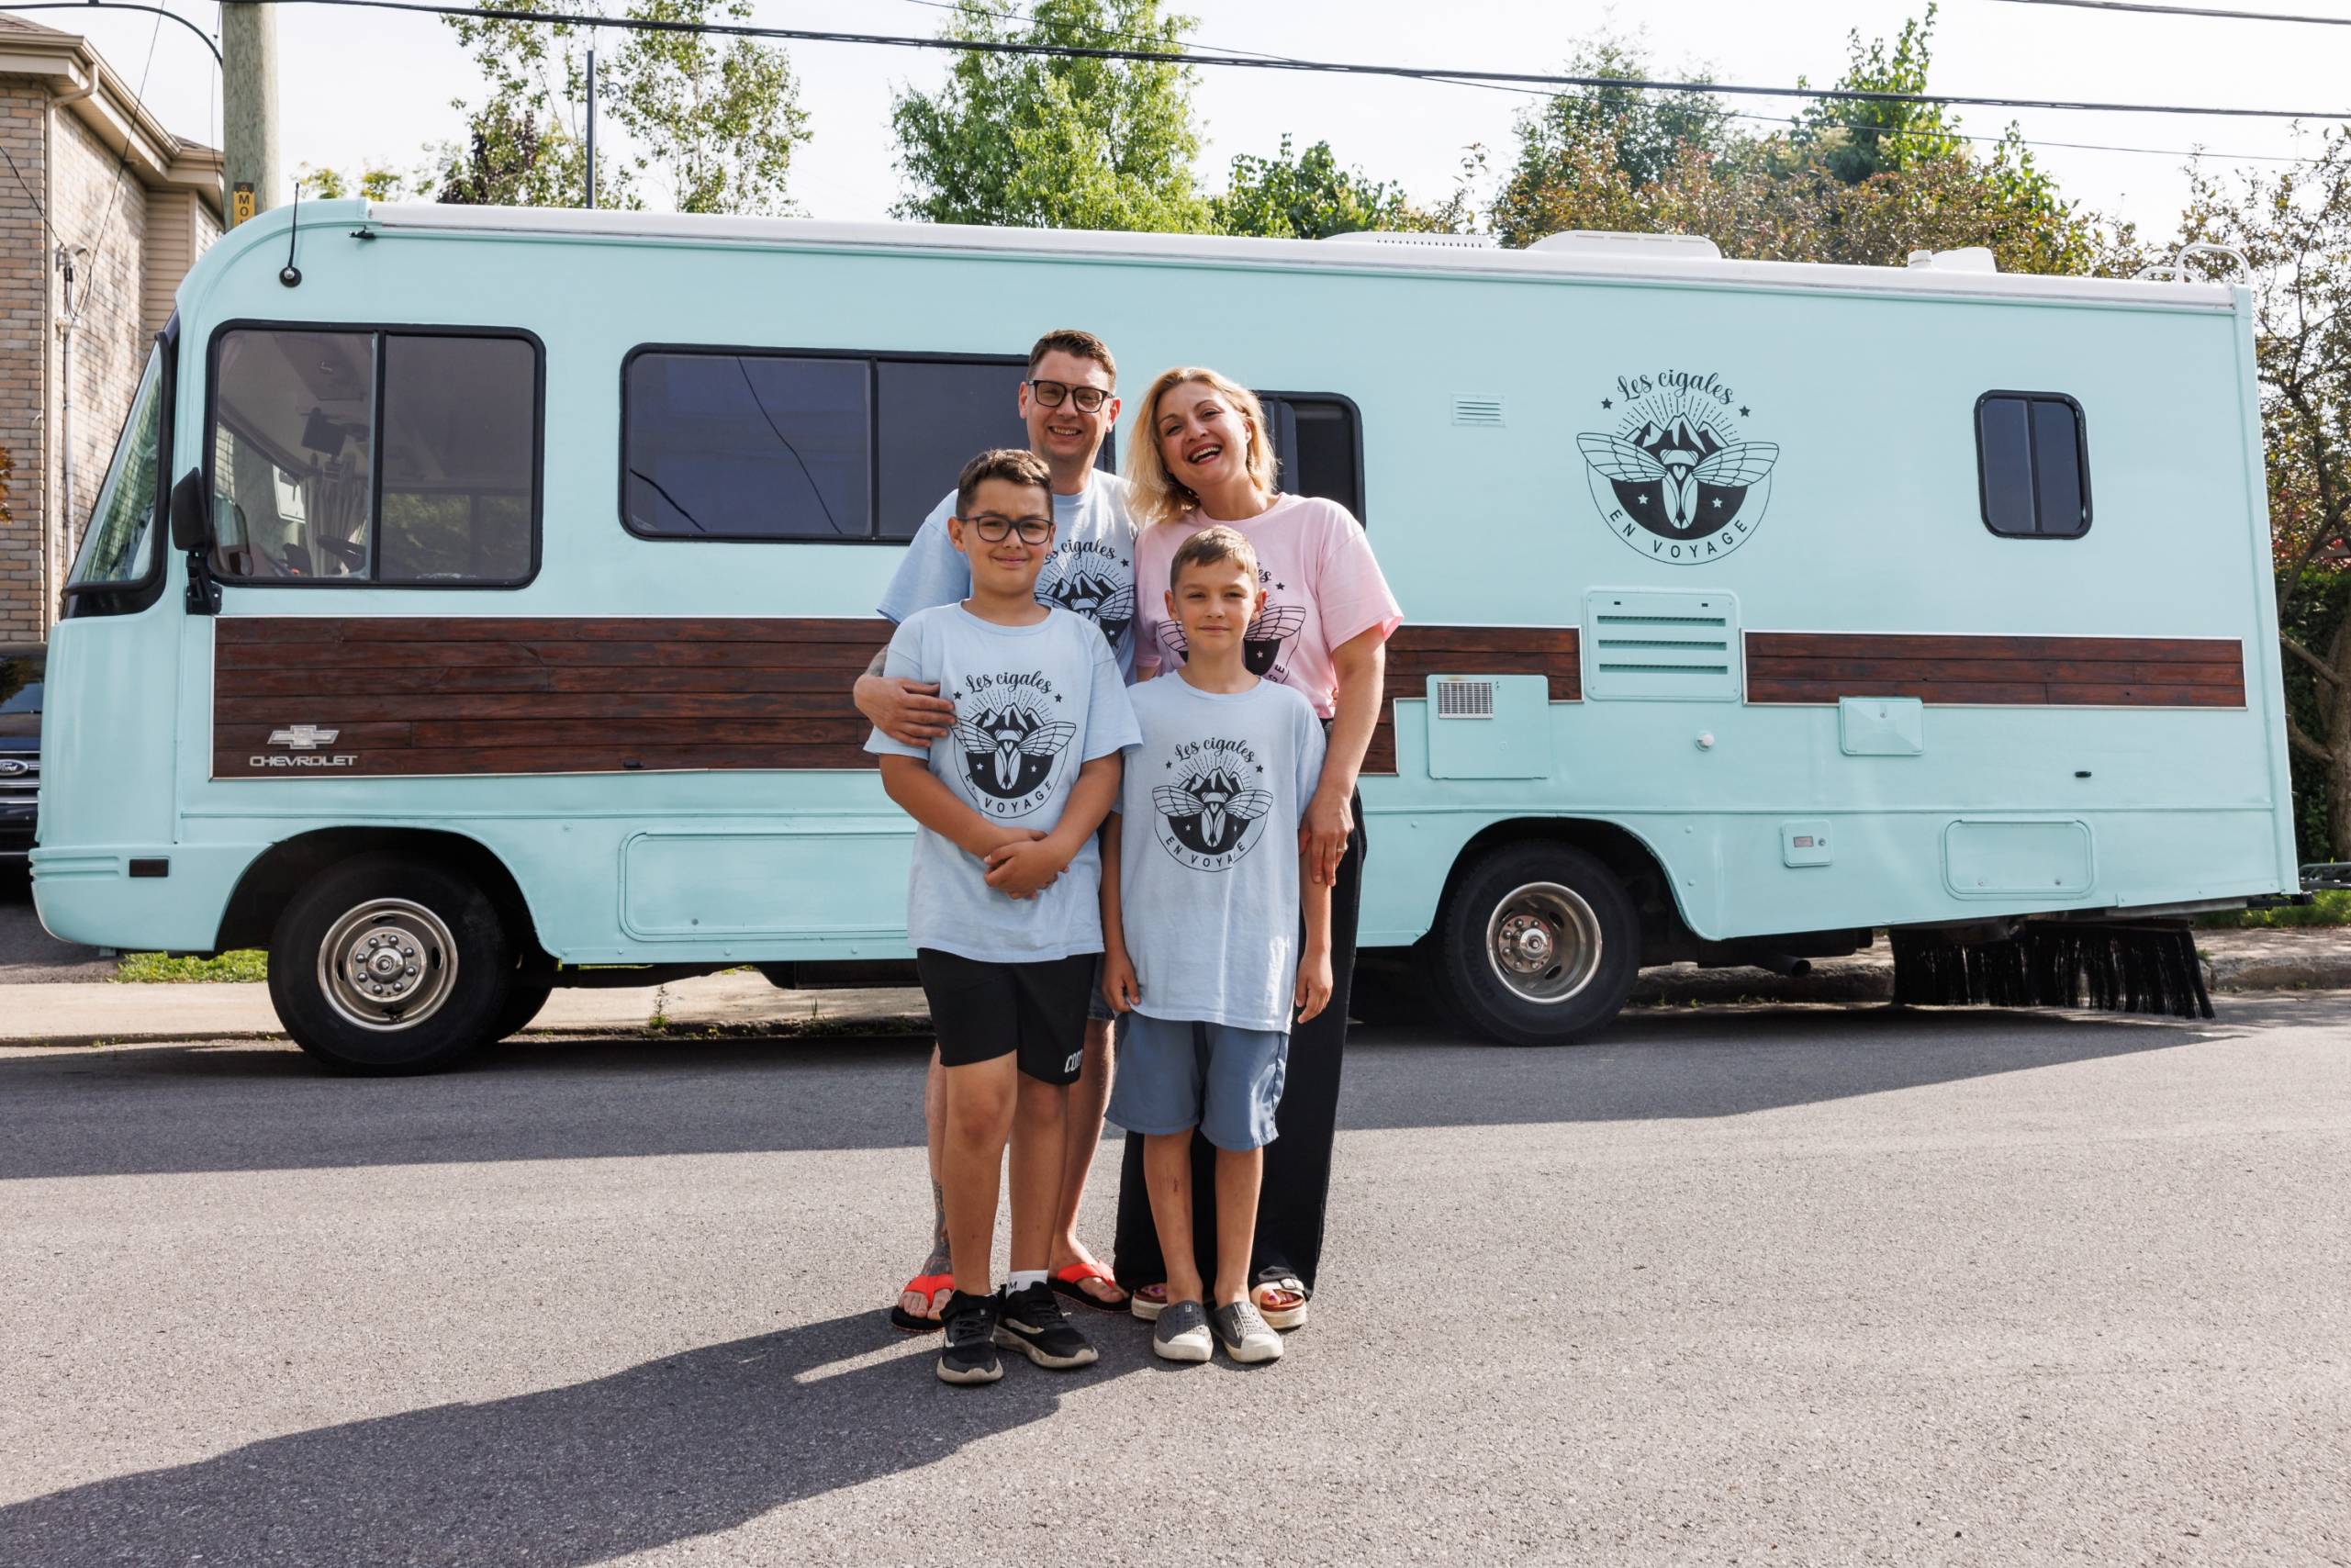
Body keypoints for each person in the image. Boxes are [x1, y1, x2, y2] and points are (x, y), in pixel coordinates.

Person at [856, 330, 1139, 1329]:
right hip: (988, 828)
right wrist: (865, 691)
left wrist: (1068, 837)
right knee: (969, 1060)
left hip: (1095, 805)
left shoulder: (1127, 511)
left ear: (1112, 410)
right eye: (1051, 391)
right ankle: (952, 1249)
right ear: (1024, 400)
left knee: (1084, 1037)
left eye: (1089, 395)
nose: (1069, 409)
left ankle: (1048, 1243)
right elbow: (896, 668)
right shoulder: (969, 504)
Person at [1112, 367, 1402, 1333]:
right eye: (1169, 425)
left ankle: (1272, 1261)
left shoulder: (1319, 525)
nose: (1192, 432)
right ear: (1158, 451)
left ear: (1245, 425)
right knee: (1171, 1020)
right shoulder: (1154, 543)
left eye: (1208, 414)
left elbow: (1361, 663)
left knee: (1288, 1039)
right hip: (1196, 789)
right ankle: (1162, 1263)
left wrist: (1333, 793)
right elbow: (1154, 676)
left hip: (1301, 784)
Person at [1100, 525, 1332, 1365]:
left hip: (1255, 958)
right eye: (1195, 596)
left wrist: (1317, 950)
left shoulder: (1289, 714)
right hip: (1160, 959)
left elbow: (1314, 845)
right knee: (1164, 1128)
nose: (1213, 609)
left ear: (1257, 604)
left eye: (1231, 595)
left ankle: (1234, 1294)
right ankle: (1183, 1293)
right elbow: (1114, 837)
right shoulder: (1140, 709)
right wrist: (1113, 947)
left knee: (1241, 1133)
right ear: (1168, 609)